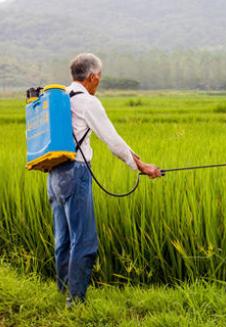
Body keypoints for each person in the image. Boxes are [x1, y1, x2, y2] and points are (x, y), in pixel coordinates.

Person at [47, 53, 160, 308]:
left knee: (63, 237)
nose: (99, 82)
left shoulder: (60, 96)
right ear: (92, 77)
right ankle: (75, 302)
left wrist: (137, 160)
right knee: (84, 240)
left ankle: (63, 291)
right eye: (99, 78)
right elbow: (113, 141)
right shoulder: (87, 102)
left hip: (54, 173)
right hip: (75, 173)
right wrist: (140, 166)